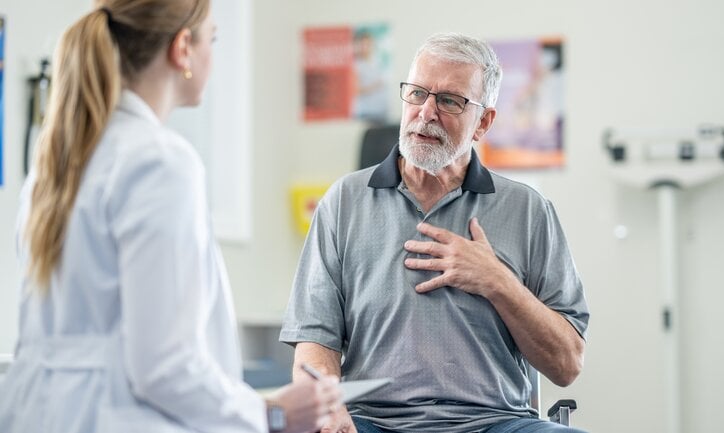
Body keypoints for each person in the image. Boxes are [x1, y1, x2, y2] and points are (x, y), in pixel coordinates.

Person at [0, 2, 341, 432]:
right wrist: (273, 414)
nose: (212, 57)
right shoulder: (158, 162)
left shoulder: (56, 163)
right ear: (183, 48)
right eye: (211, 40)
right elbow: (164, 367)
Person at [280, 32, 589, 433]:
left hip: (495, 423)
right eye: (417, 93)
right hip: (373, 423)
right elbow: (314, 346)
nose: (426, 112)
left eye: (449, 100)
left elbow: (567, 365)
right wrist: (327, 410)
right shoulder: (343, 202)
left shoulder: (528, 210)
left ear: (484, 122)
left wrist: (497, 281)